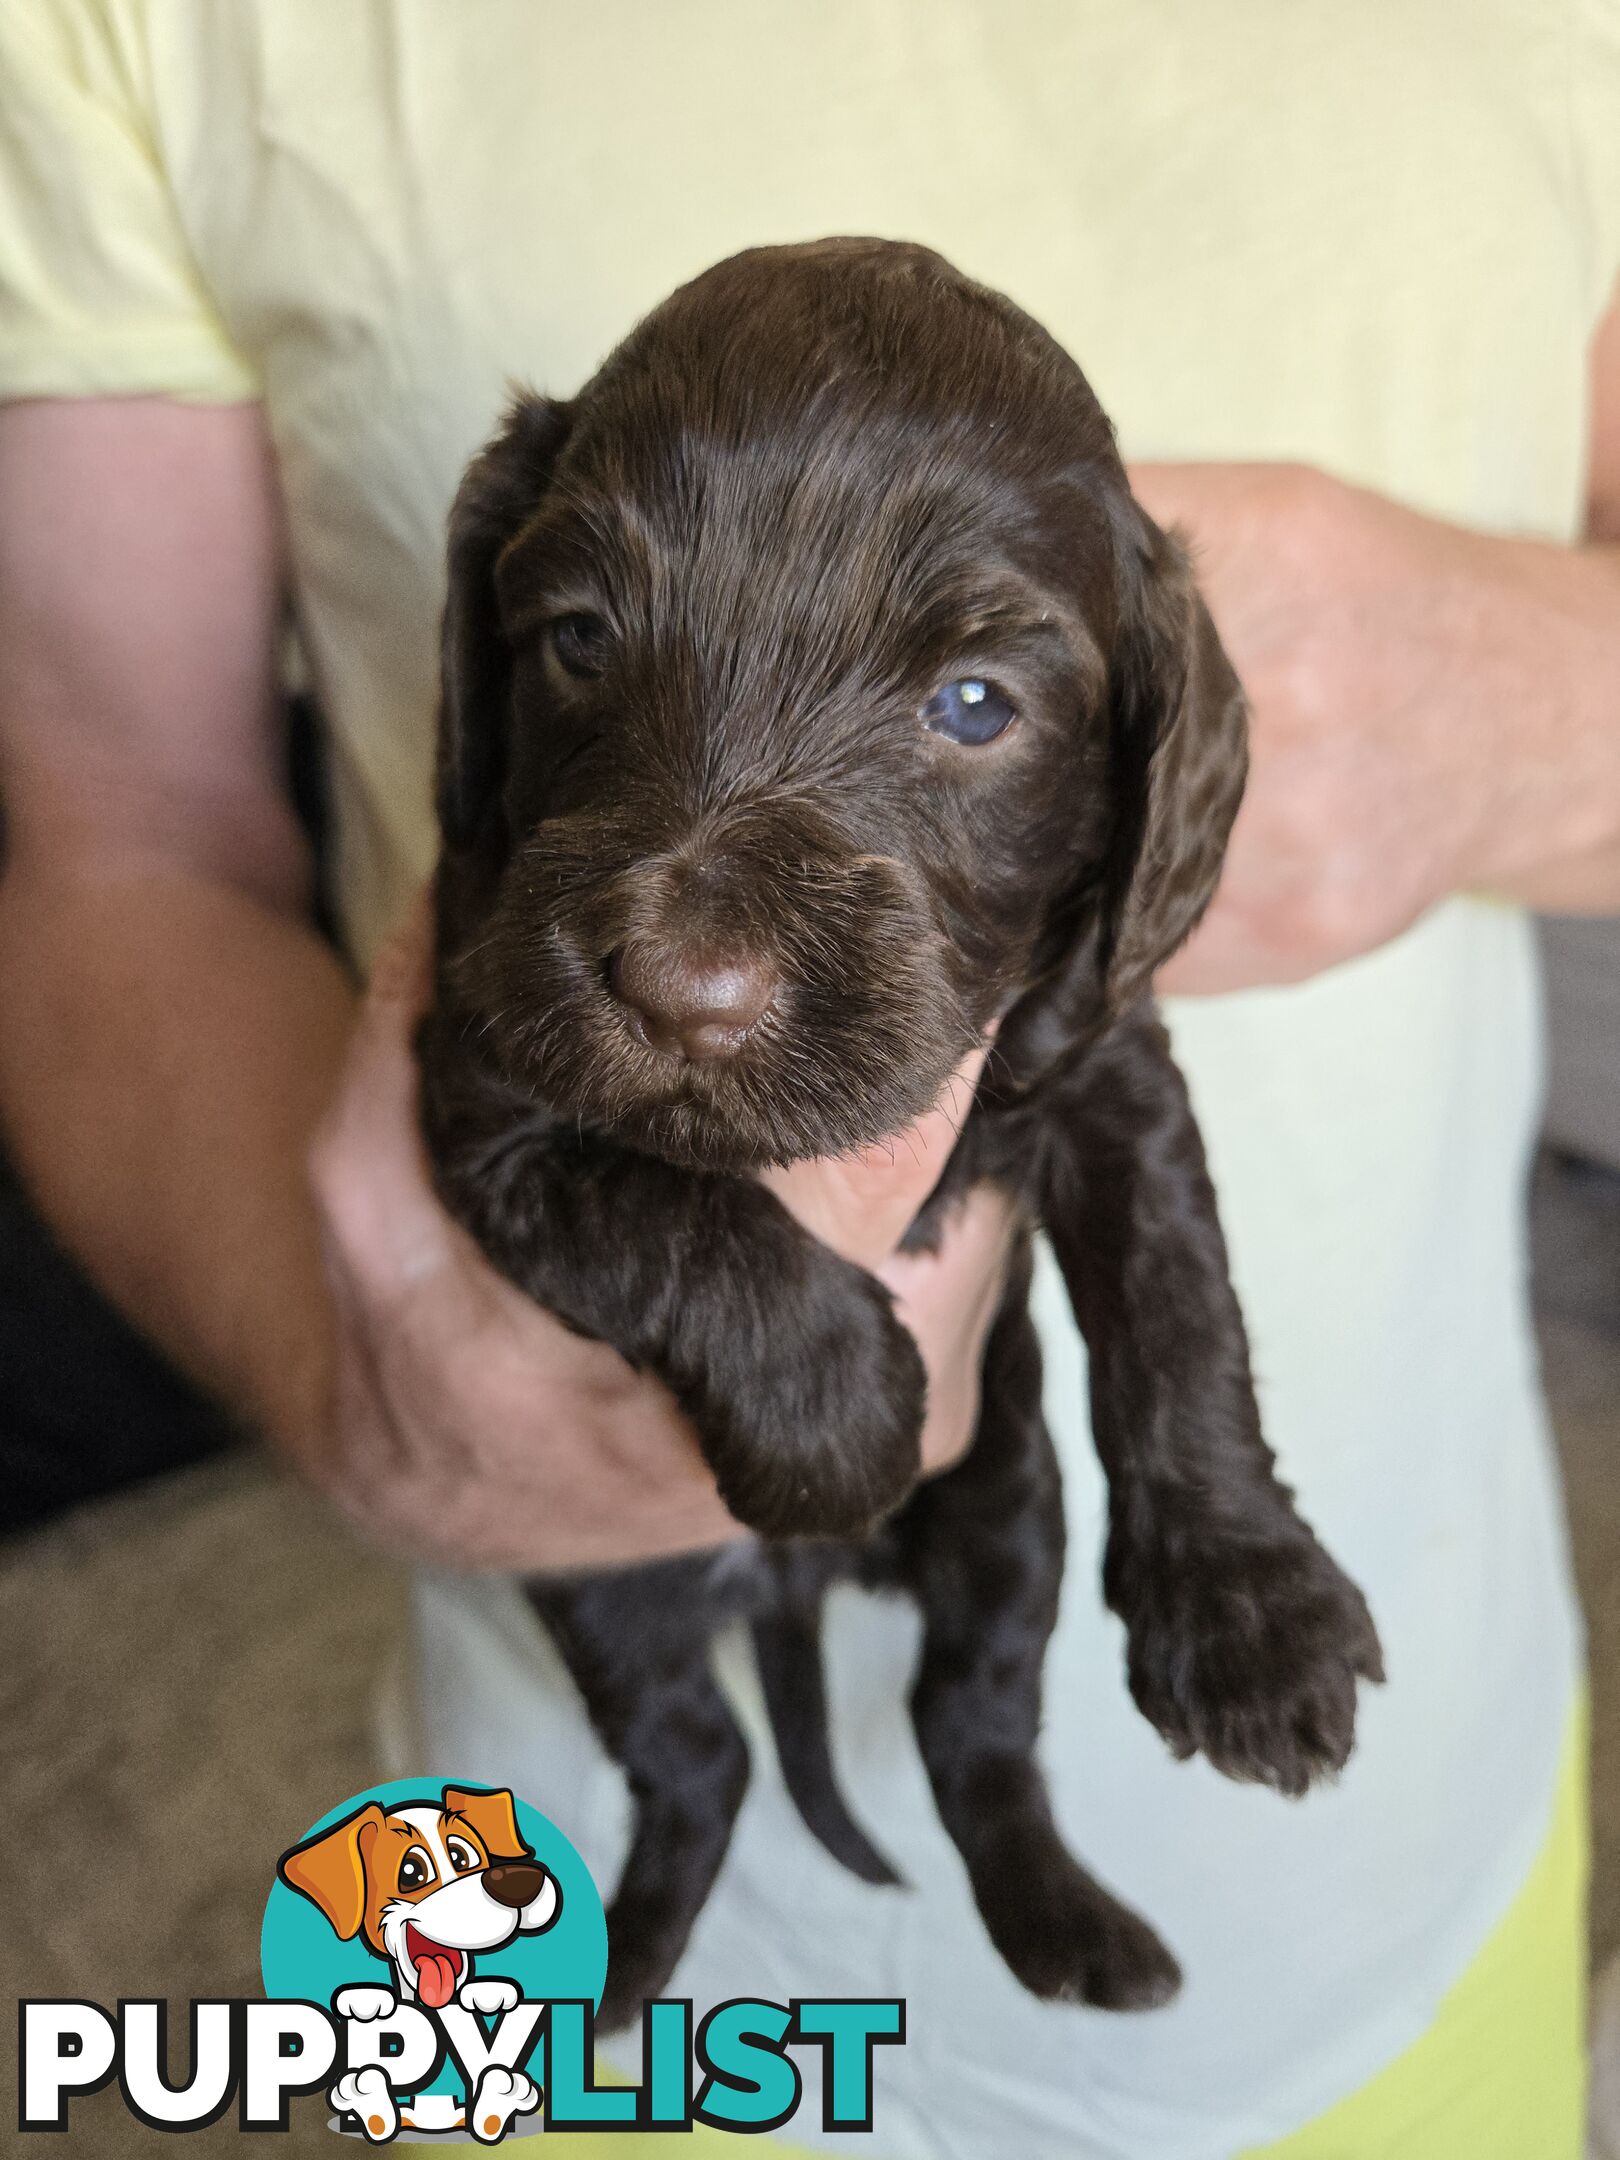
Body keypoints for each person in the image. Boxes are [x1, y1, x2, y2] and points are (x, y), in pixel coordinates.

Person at [1, 5, 1617, 2154]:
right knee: (658, 1744)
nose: (697, 949)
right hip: (512, 1874)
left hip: (1379, 1897)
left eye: (969, 697)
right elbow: (115, 842)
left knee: (999, 1600)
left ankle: (1011, 1832)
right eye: (585, 643)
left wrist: (1553, 702)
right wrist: (343, 1378)